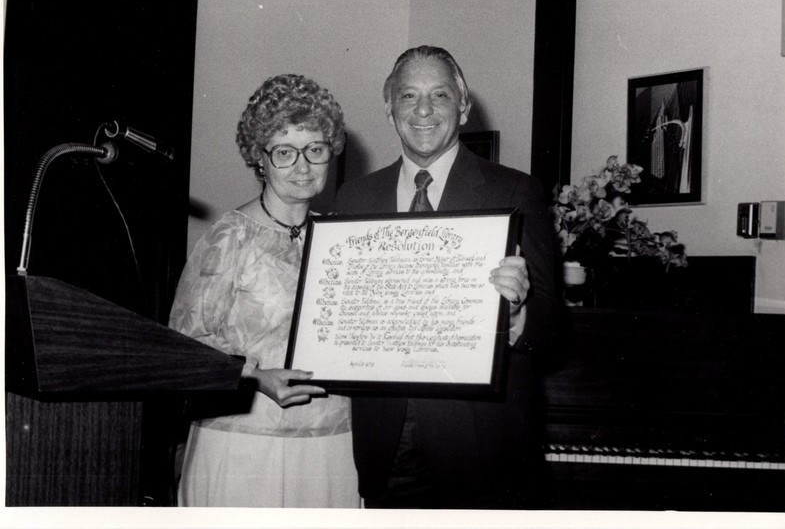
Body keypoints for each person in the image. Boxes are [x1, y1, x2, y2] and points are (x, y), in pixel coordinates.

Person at [335, 45, 560, 509]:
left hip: (483, 443)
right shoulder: (355, 198)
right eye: (408, 95)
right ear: (388, 107)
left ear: (463, 106)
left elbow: (553, 330)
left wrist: (517, 314)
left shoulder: (516, 190)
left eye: (439, 95)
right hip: (386, 437)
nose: (422, 110)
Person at [169, 74, 360, 508]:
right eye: (284, 152)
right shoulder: (230, 236)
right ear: (260, 159)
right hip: (244, 445)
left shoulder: (342, 239)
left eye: (315, 149)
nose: (302, 166)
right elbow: (185, 347)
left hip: (331, 444)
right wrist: (254, 377)